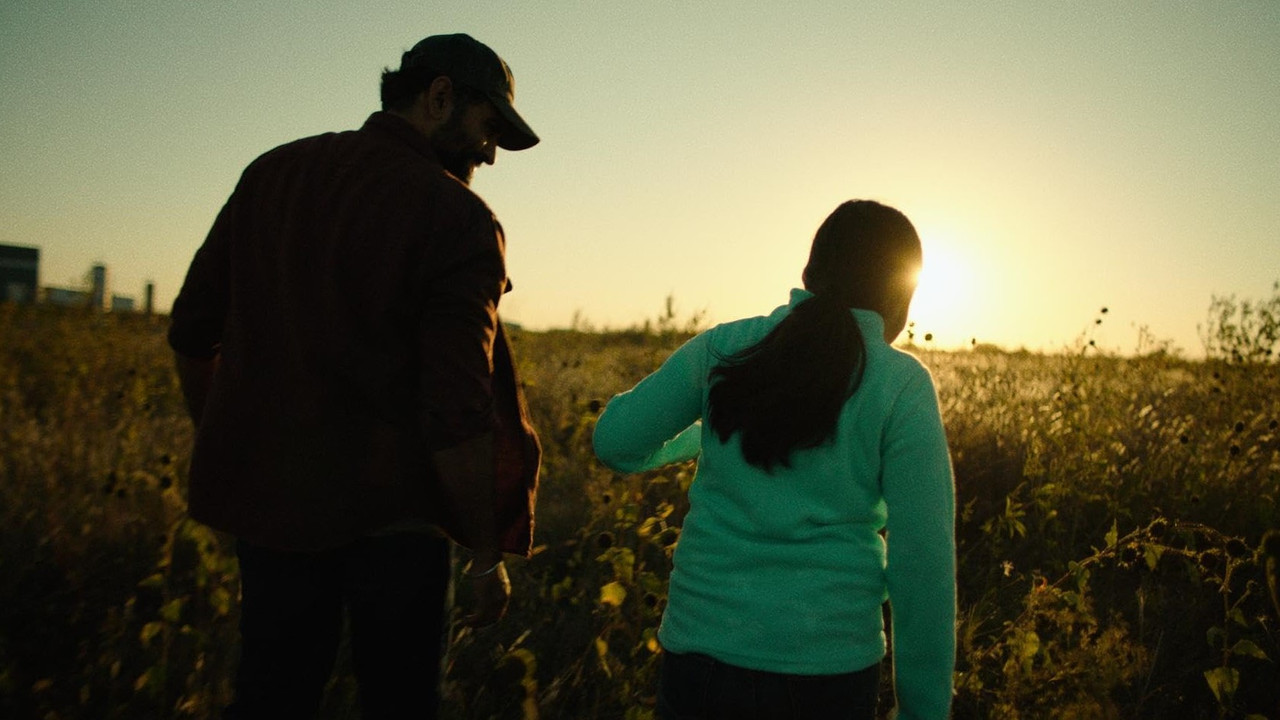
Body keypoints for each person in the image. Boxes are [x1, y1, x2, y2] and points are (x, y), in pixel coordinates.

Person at [168, 33, 542, 719]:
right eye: (489, 128)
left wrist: (234, 444)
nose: (490, 152)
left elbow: (192, 332)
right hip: (396, 528)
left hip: (273, 510)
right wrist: (486, 557)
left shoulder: (272, 174)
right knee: (399, 703)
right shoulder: (457, 217)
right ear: (439, 98)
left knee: (271, 697)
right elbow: (456, 405)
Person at [593, 200, 956, 720]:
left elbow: (615, 441)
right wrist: (923, 711)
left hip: (700, 657)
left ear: (807, 276)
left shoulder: (725, 348)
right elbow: (923, 562)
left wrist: (704, 435)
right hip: (828, 671)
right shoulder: (901, 385)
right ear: (902, 302)